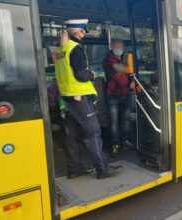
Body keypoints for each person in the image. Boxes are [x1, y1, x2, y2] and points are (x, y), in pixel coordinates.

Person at [55, 19, 122, 179]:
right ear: (78, 31)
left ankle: (74, 169)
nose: (85, 34)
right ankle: (102, 168)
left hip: (67, 98)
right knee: (93, 132)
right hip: (80, 97)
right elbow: (80, 74)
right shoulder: (76, 48)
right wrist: (91, 74)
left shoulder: (61, 49)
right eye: (84, 31)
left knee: (72, 135)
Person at [103, 39, 136, 157]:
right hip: (113, 96)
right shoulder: (108, 61)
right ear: (112, 47)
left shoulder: (126, 59)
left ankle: (125, 139)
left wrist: (132, 81)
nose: (119, 49)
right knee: (114, 122)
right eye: (117, 47)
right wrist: (129, 83)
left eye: (121, 47)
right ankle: (115, 144)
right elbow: (118, 76)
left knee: (126, 119)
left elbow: (131, 73)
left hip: (126, 94)